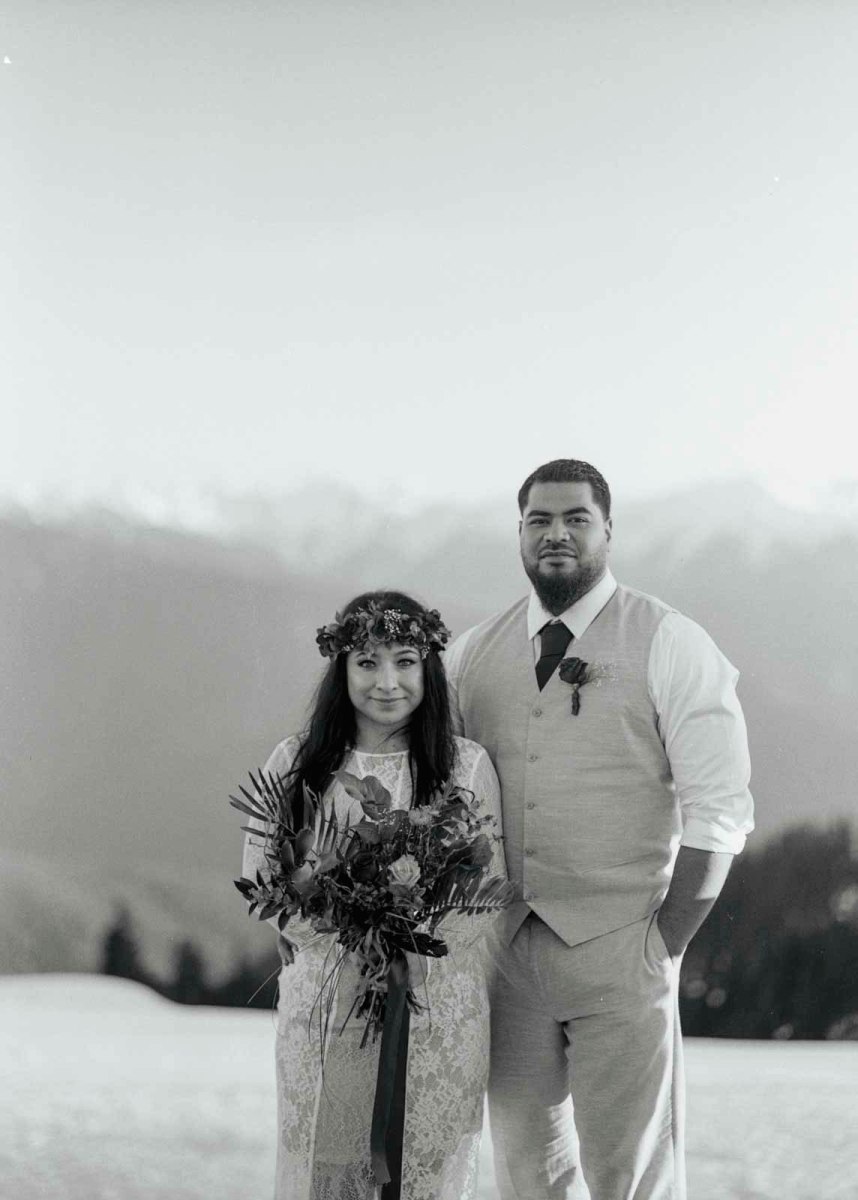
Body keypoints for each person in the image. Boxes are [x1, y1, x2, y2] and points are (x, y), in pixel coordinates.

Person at [444, 459, 754, 1200]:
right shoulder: (469, 654)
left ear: (607, 531)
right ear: (519, 533)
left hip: (624, 947)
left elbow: (720, 809)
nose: (557, 535)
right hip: (507, 954)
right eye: (539, 521)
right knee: (529, 1173)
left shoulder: (671, 641)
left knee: (631, 1175)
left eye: (575, 519)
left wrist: (663, 942)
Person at [242, 589, 507, 1200]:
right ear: (342, 669)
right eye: (367, 662)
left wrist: (407, 947)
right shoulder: (296, 764)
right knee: (328, 1168)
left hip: (434, 1004)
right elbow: (268, 880)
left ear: (429, 667)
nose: (387, 681)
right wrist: (357, 938)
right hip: (327, 1002)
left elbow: (483, 888)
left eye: (405, 661)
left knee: (422, 1171)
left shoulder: (464, 766)